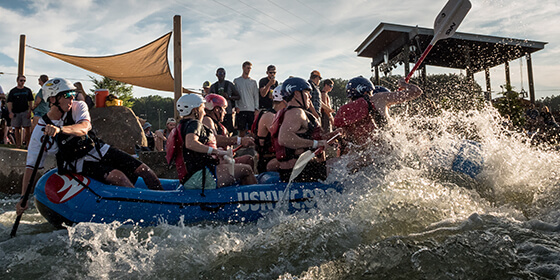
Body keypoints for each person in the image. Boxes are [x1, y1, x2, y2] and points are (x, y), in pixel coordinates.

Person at [16, 78, 162, 215]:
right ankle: (141, 210)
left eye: (73, 94)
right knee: (118, 177)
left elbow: (84, 127)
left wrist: (61, 130)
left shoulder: (78, 106)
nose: (72, 98)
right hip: (76, 162)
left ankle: (164, 203)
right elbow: (31, 166)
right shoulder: (40, 129)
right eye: (67, 95)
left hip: (97, 149)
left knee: (145, 170)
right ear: (53, 99)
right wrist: (23, 197)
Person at [176, 94, 257, 189]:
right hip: (200, 177)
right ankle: (257, 199)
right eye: (202, 109)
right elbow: (191, 143)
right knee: (246, 170)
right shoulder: (195, 123)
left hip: (192, 176)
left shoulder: (183, 125)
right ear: (195, 110)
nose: (205, 113)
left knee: (246, 162)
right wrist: (216, 151)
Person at [272, 77, 339, 183]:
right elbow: (284, 138)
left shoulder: (291, 113)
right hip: (303, 173)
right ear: (297, 94)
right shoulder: (296, 113)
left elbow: (307, 136)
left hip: (299, 170)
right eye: (307, 92)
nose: (310, 96)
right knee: (350, 163)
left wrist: (331, 135)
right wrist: (315, 144)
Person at [333, 76, 422, 155]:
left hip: (363, 156)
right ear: (367, 90)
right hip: (386, 152)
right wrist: (404, 84)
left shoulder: (346, 111)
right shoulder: (378, 98)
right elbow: (416, 92)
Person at [202, 94, 255, 168]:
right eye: (223, 108)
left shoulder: (217, 124)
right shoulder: (207, 120)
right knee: (248, 162)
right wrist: (239, 140)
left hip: (223, 160)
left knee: (248, 159)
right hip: (216, 164)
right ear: (216, 109)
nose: (225, 112)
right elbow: (214, 139)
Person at [253, 86, 286, 173]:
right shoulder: (270, 116)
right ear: (285, 101)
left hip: (274, 158)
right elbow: (284, 139)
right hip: (267, 162)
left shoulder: (278, 115)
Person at [209, 67, 240, 134]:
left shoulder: (229, 84)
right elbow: (208, 99)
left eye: (224, 73)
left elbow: (238, 96)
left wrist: (229, 97)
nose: (222, 75)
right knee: (217, 131)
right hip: (216, 114)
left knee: (229, 132)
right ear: (216, 75)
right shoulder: (213, 86)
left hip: (227, 112)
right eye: (220, 73)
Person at [233, 61, 259, 137]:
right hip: (241, 109)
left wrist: (256, 108)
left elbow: (256, 96)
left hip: (251, 109)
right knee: (241, 130)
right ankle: (242, 146)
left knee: (252, 130)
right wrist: (236, 106)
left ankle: (252, 146)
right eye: (247, 68)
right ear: (243, 68)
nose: (249, 70)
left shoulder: (253, 82)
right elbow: (235, 95)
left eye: (250, 68)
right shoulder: (237, 81)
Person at [7, 75, 34, 149]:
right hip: (16, 112)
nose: (22, 82)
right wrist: (10, 112)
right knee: (17, 129)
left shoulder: (27, 90)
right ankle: (18, 144)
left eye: (24, 81)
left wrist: (30, 112)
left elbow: (31, 101)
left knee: (27, 128)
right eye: (21, 80)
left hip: (25, 111)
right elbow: (9, 102)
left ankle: (28, 145)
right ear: (17, 81)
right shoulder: (13, 91)